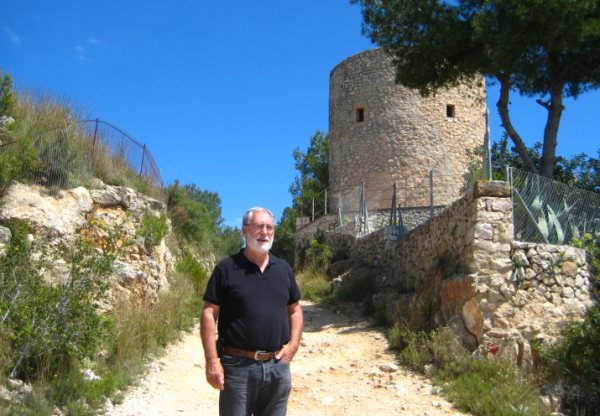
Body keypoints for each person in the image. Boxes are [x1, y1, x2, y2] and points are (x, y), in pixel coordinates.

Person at [201, 207, 303, 416]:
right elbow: (209, 313)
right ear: (244, 230)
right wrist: (212, 361)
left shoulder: (284, 269)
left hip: (277, 367)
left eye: (269, 227)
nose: (265, 232)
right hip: (237, 368)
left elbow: (295, 310)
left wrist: (293, 345)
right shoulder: (226, 269)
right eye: (259, 226)